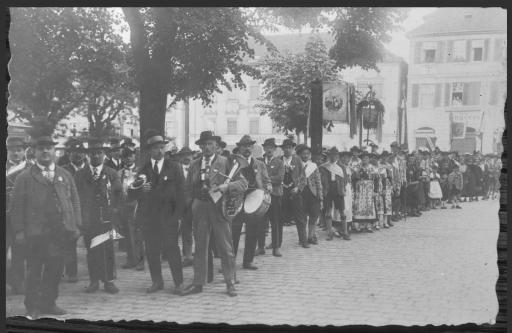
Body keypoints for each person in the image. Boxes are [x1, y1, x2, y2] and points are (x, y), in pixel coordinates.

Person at [10, 134, 81, 319]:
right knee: (34, 271)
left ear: (54, 151)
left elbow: (74, 200)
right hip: (35, 233)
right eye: (41, 148)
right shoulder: (24, 177)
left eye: (49, 148)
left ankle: (49, 303)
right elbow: (16, 207)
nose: (45, 151)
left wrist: (76, 225)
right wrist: (18, 231)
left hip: (60, 232)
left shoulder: (65, 175)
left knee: (55, 270)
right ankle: (32, 306)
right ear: (34, 152)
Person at [181, 131, 247, 297]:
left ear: (216, 146)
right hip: (200, 209)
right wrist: (191, 205)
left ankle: (230, 282)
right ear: (200, 146)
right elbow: (187, 188)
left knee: (225, 248)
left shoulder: (227, 162)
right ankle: (198, 283)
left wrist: (227, 187)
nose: (207, 147)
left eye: (210, 144)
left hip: (219, 209)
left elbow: (243, 183)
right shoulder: (195, 164)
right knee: (200, 247)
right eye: (204, 144)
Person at [128, 130, 184, 294]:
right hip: (149, 218)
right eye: (155, 148)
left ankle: (178, 283)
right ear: (149, 151)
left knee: (172, 249)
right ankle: (157, 282)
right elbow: (131, 193)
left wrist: (178, 217)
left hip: (169, 217)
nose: (159, 151)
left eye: (162, 147)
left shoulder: (174, 167)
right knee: (152, 250)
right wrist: (140, 191)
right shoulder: (143, 170)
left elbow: (182, 194)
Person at [75, 137, 122, 294]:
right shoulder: (80, 175)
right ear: (88, 155)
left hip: (107, 218)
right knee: (92, 250)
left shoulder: (112, 173)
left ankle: (108, 281)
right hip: (89, 219)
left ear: (104, 154)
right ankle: (94, 280)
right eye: (93, 153)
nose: (96, 156)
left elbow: (118, 195)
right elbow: (76, 198)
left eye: (99, 153)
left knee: (107, 250)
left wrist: (115, 214)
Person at [232, 135, 271, 270]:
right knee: (234, 233)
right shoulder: (234, 163)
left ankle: (248, 261)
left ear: (252, 148)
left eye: (249, 146)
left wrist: (268, 188)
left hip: (254, 202)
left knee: (252, 232)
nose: (247, 148)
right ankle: (230, 262)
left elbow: (266, 181)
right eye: (244, 146)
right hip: (237, 201)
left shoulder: (259, 164)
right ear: (240, 148)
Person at [62, 139, 88, 283]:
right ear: (69, 154)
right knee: (70, 243)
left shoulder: (90, 169)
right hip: (71, 212)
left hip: (89, 211)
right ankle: (72, 273)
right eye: (74, 152)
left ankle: (95, 273)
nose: (78, 155)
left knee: (92, 243)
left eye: (81, 152)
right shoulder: (63, 170)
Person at [6, 136, 29, 295]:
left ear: (24, 151)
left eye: (19, 150)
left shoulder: (31, 168)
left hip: (22, 217)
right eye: (12, 150)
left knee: (20, 251)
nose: (15, 153)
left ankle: (18, 282)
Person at [118, 145, 145, 271]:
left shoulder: (140, 171)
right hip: (124, 205)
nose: (128, 159)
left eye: (130, 155)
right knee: (127, 233)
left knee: (137, 233)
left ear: (134, 156)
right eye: (125, 157)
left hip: (136, 204)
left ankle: (140, 260)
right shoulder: (119, 173)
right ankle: (131, 259)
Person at [258, 138, 285, 257]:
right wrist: (265, 180)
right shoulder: (258, 161)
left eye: (272, 148)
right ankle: (260, 247)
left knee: (275, 221)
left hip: (275, 195)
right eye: (267, 147)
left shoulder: (279, 162)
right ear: (264, 148)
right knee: (260, 222)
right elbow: (255, 176)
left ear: (274, 149)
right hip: (261, 195)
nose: (269, 149)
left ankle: (276, 247)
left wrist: (265, 179)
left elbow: (280, 178)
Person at [280, 139, 308, 247]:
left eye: (290, 147)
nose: (287, 150)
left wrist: (298, 188)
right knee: (279, 217)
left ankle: (303, 240)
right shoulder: (278, 160)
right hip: (281, 192)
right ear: (282, 149)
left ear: (292, 149)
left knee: (299, 217)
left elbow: (303, 178)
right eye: (285, 147)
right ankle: (276, 241)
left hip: (294, 192)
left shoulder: (297, 160)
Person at [320, 147, 350, 240]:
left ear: (337, 156)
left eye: (335, 155)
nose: (333, 157)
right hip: (328, 189)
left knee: (342, 211)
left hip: (338, 189)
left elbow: (345, 179)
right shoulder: (324, 167)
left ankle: (345, 232)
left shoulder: (342, 167)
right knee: (328, 212)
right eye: (331, 155)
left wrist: (341, 187)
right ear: (328, 156)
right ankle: (330, 233)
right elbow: (321, 179)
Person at [297, 144, 323, 245]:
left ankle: (311, 236)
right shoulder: (297, 165)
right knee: (302, 217)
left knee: (314, 216)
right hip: (301, 193)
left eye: (307, 153)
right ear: (300, 155)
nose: (306, 155)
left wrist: (320, 196)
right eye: (303, 154)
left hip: (313, 193)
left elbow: (318, 181)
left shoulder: (313, 166)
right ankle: (302, 238)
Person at [176, 146, 196, 267]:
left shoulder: (197, 168)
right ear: (180, 157)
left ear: (192, 156)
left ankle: (199, 254)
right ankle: (187, 255)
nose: (187, 157)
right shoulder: (176, 169)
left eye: (188, 155)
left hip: (196, 203)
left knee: (199, 229)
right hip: (183, 205)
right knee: (186, 230)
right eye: (184, 155)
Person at [353, 151, 378, 232]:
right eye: (363, 158)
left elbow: (376, 180)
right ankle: (359, 225)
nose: (365, 160)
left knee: (369, 205)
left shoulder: (372, 168)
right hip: (360, 189)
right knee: (360, 205)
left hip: (369, 189)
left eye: (366, 158)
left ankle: (368, 225)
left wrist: (375, 191)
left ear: (369, 159)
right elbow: (354, 179)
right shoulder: (358, 167)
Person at [338, 151, 354, 235]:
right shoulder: (338, 167)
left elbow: (350, 179)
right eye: (344, 157)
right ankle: (339, 227)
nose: (345, 159)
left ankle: (347, 226)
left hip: (348, 188)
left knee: (348, 207)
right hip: (341, 187)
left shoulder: (348, 167)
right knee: (342, 207)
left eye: (347, 157)